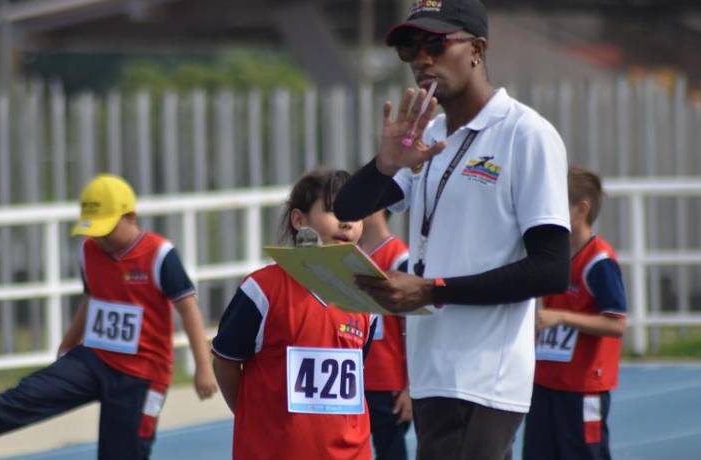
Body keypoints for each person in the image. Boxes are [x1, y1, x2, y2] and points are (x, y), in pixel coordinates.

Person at [333, 0, 572, 458]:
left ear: (477, 49)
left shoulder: (525, 134)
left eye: (436, 45)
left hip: (483, 376)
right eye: (410, 49)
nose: (422, 60)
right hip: (432, 371)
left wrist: (430, 289)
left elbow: (549, 270)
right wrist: (385, 165)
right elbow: (347, 208)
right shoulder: (430, 135)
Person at [0, 174, 217, 460]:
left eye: (107, 230)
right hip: (94, 358)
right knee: (28, 394)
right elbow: (93, 298)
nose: (100, 239)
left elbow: (188, 308)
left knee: (122, 453)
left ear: (130, 218)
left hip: (141, 376)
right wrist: (69, 342)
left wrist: (203, 367)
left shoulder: (160, 255)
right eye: (94, 230)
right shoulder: (89, 251)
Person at [212, 169, 376, 460]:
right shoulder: (261, 290)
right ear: (299, 220)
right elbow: (225, 362)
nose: (348, 222)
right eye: (335, 210)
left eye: (356, 212)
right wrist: (255, 417)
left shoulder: (370, 297)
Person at [523, 166, 627, 460]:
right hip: (545, 381)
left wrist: (561, 317)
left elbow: (617, 323)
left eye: (554, 204)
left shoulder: (599, 262)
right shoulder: (552, 257)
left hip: (583, 387)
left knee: (583, 454)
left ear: (581, 209)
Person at [359, 210, 412, 460]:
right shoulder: (348, 255)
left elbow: (415, 324)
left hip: (387, 381)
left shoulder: (398, 257)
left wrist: (410, 388)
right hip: (354, 378)